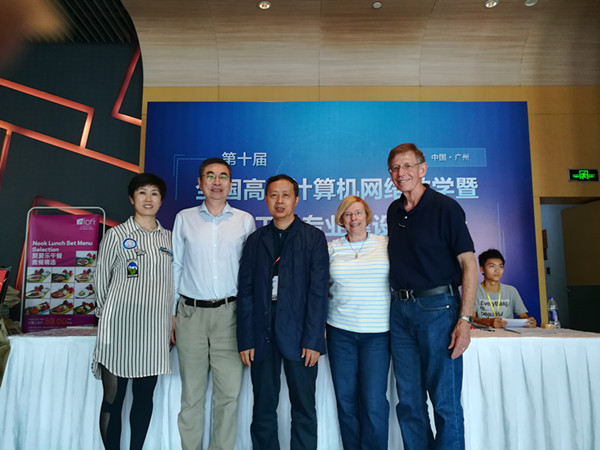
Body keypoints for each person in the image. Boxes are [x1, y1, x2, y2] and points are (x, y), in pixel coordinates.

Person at [386, 143, 478, 450]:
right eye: (395, 168)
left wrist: (464, 319)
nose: (401, 173)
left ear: (422, 169)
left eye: (407, 166)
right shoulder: (394, 211)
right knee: (409, 403)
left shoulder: (445, 207)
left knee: (445, 403)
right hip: (400, 312)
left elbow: (468, 264)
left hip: (439, 308)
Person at [237, 174, 329, 450]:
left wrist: (313, 340)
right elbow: (246, 292)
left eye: (286, 195)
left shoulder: (313, 237)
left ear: (296, 199)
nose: (280, 201)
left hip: (300, 332)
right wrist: (246, 339)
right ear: (266, 199)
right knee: (263, 407)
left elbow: (318, 293)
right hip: (262, 332)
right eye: (274, 195)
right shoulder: (255, 240)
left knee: (304, 406)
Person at [172, 157, 255, 450]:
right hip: (190, 315)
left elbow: (250, 273)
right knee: (191, 396)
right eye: (210, 176)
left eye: (223, 176)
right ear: (200, 182)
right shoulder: (184, 218)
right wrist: (172, 313)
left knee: (228, 396)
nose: (216, 182)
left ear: (231, 183)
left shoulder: (244, 221)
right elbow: (176, 266)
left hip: (230, 315)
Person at [92, 172, 173, 450]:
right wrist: (109, 316)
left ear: (161, 200)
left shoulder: (169, 239)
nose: (148, 198)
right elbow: (100, 281)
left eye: (154, 193)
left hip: (154, 332)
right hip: (118, 330)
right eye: (142, 192)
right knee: (113, 399)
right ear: (131, 198)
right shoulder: (116, 235)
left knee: (144, 398)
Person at [327, 196, 391, 450]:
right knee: (346, 400)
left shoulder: (385, 244)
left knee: (374, 401)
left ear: (367, 215)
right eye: (348, 214)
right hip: (340, 332)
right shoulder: (331, 248)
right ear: (341, 219)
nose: (353, 218)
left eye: (358, 213)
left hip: (377, 334)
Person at [474, 249, 537, 328]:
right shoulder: (474, 291)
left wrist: (529, 321)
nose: (497, 270)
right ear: (482, 269)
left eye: (500, 266)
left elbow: (523, 316)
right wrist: (488, 322)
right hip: (483, 333)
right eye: (492, 266)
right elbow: (469, 318)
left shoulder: (511, 291)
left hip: (508, 333)